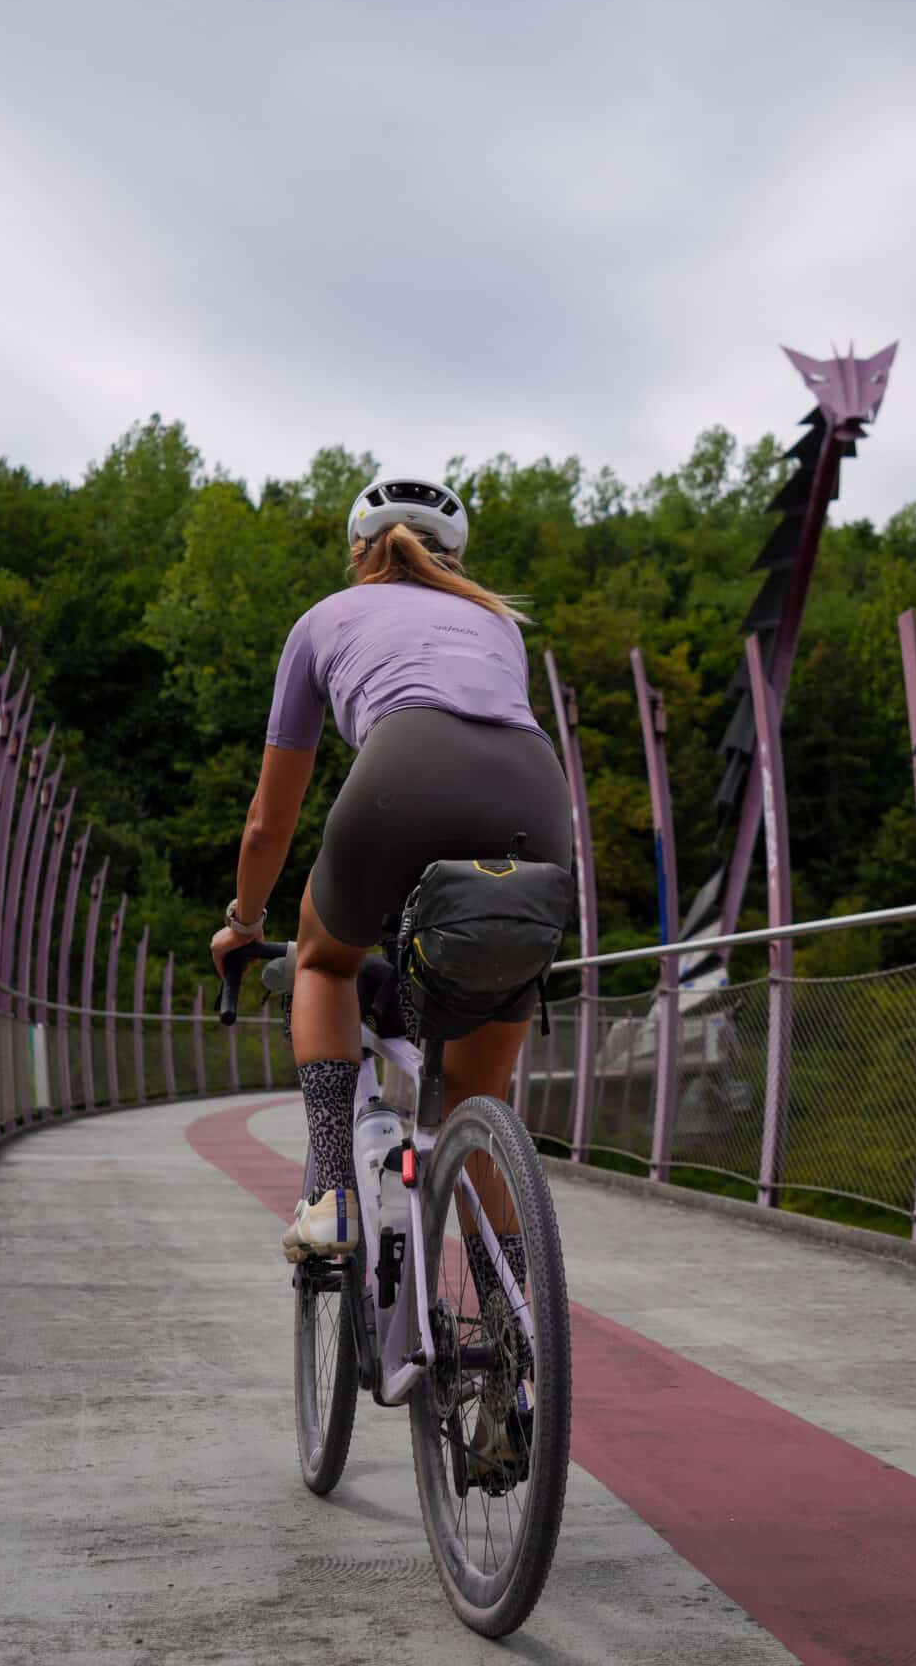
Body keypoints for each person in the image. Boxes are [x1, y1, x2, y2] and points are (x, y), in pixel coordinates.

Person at [208, 476, 572, 1271]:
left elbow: (270, 822)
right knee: (479, 1102)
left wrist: (244, 919)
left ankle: (332, 1190)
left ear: (357, 553)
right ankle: (516, 1355)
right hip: (538, 794)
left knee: (324, 960)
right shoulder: (497, 622)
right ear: (453, 557)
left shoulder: (320, 623)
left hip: (403, 771)